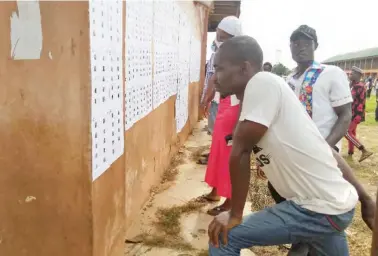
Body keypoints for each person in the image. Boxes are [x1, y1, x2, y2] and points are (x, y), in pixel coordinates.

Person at [207, 36, 375, 256]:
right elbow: (324, 151)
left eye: (219, 69)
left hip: (316, 209)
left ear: (244, 68)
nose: (214, 79)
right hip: (333, 207)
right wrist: (365, 198)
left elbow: (240, 151)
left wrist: (235, 214)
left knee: (224, 238)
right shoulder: (259, 93)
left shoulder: (262, 82)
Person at [268, 25, 354, 254]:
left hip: (322, 153)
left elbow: (345, 115)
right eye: (295, 43)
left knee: (321, 204)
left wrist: (324, 148)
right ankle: (303, 241)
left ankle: (313, 245)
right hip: (294, 154)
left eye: (306, 42)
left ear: (316, 45)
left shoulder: (330, 73)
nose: (300, 47)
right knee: (288, 195)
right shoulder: (288, 80)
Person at [200, 16, 243, 215]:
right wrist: (207, 97)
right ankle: (216, 190)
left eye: (223, 37)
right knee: (217, 150)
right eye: (218, 35)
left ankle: (229, 201)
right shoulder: (220, 54)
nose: (218, 40)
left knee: (228, 155)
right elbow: (213, 77)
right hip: (223, 105)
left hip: (234, 108)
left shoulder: (240, 58)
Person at [345, 66, 373, 162]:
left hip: (355, 114)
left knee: (346, 132)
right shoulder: (355, 85)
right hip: (355, 113)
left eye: (352, 73)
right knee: (352, 133)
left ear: (357, 75)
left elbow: (349, 98)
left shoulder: (358, 86)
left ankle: (363, 150)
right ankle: (350, 152)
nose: (349, 75)